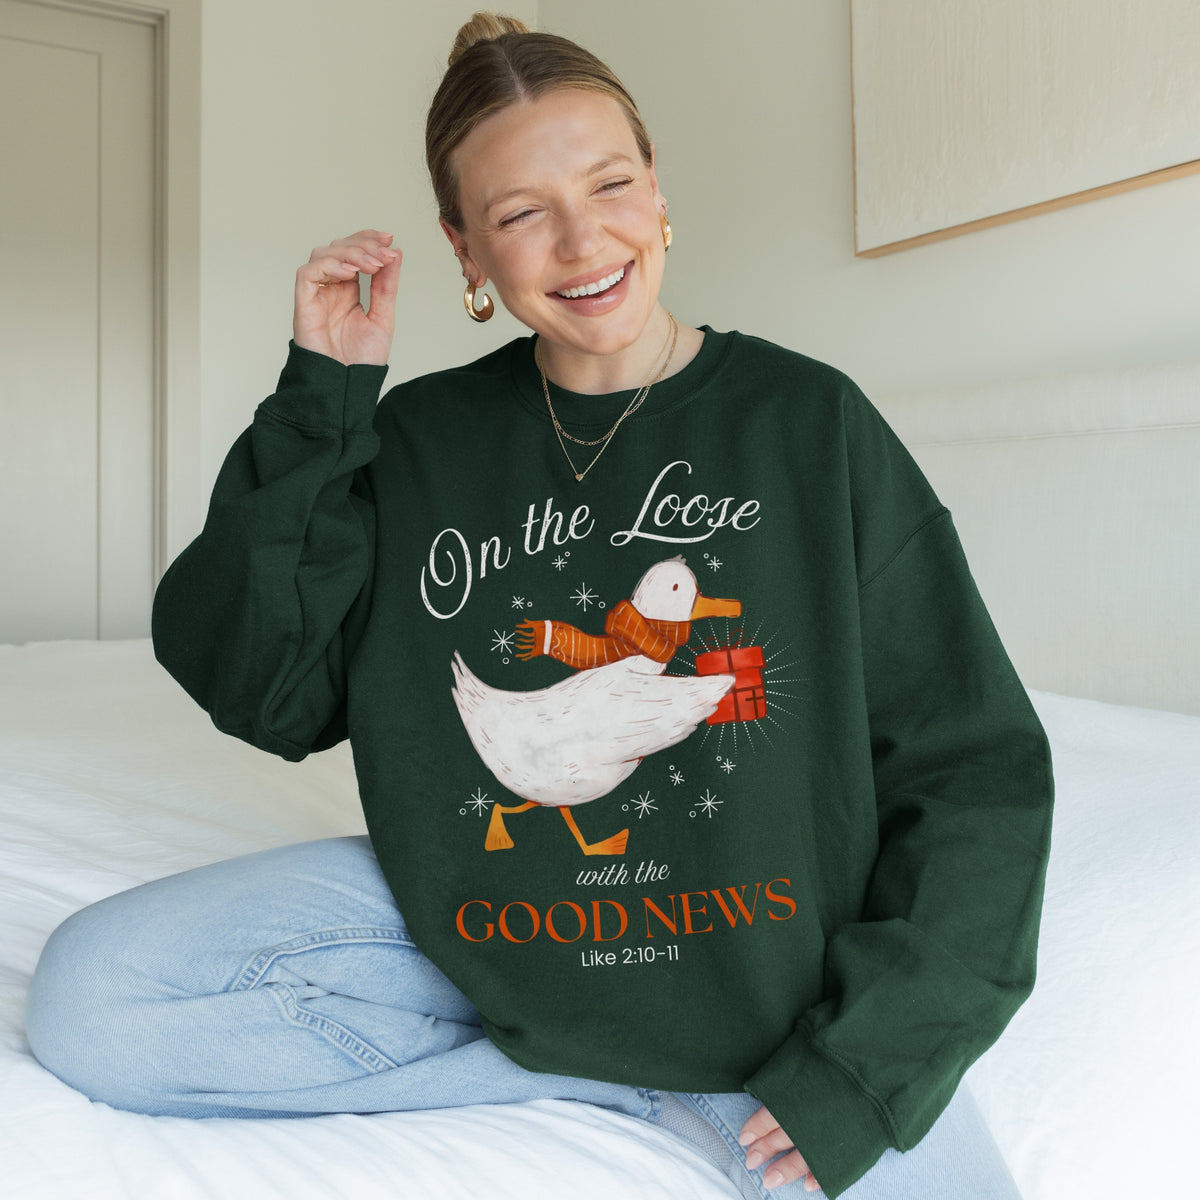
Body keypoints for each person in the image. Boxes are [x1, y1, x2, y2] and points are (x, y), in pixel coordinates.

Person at [25, 12, 1053, 1199]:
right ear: (467, 252)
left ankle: (661, 1062)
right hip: (485, 925)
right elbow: (263, 684)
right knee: (98, 1000)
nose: (582, 238)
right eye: (519, 214)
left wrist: (865, 1067)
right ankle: (597, 1074)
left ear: (658, 190)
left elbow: (973, 771)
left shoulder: (808, 423)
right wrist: (323, 398)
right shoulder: (413, 437)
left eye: (610, 183)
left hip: (759, 981)